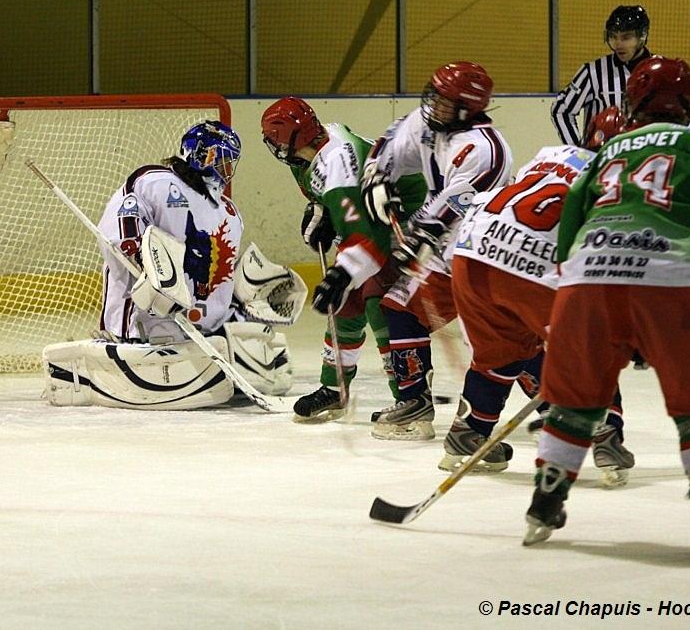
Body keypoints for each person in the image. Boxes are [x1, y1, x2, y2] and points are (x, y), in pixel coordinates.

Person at [523, 57, 690, 557]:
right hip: (670, 281)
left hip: (587, 282)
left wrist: (595, 302)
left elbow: (571, 226)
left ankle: (546, 500)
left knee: (573, 399)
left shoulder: (606, 150)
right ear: (689, 101)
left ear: (632, 103)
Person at [42, 120, 305, 410]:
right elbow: (123, 220)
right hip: (146, 318)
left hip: (200, 328)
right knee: (147, 317)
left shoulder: (230, 213)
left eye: (230, 162)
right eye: (218, 158)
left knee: (258, 342)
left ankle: (217, 346)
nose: (225, 169)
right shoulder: (155, 182)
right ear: (196, 153)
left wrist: (247, 293)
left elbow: (223, 272)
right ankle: (121, 346)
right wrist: (138, 255)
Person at [441, 107, 628, 475]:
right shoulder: (621, 179)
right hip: (531, 267)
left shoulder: (551, 154)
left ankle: (469, 432)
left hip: (471, 253)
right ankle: (607, 438)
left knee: (502, 352)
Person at [359, 61, 513, 440]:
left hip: (482, 250)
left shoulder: (485, 150)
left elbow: (455, 203)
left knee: (505, 337)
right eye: (435, 95)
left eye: (444, 101)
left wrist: (417, 238)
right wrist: (377, 178)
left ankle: (559, 403)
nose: (433, 105)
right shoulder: (428, 123)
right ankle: (414, 403)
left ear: (467, 107)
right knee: (400, 307)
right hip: (443, 248)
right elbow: (388, 144)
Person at [259, 97, 428, 422]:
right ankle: (335, 388)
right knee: (346, 304)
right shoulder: (313, 150)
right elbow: (341, 204)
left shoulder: (337, 163)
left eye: (275, 139)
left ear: (288, 139)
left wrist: (342, 273)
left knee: (381, 305)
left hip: (407, 219)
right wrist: (324, 215)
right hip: (373, 217)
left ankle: (411, 398)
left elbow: (366, 237)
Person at [551, 5, 690, 148]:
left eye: (626, 37)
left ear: (642, 36)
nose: (618, 44)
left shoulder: (665, 71)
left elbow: (688, 114)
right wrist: (578, 152)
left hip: (651, 158)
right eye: (613, 37)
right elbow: (561, 110)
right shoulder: (593, 72)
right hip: (604, 162)